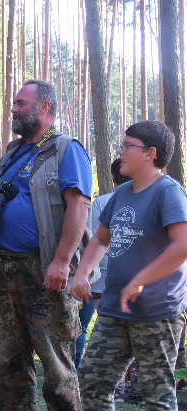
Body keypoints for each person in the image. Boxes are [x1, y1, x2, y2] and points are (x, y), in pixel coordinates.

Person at [53, 121, 187, 411]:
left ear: (151, 153)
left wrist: (141, 280)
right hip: (114, 309)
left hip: (157, 312)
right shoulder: (123, 193)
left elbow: (182, 245)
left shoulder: (168, 192)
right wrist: (82, 272)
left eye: (128, 145)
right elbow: (101, 238)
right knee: (93, 380)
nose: (120, 151)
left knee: (156, 392)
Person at [0, 79, 91, 411]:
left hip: (43, 270)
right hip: (2, 269)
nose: (13, 109)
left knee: (55, 356)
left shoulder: (66, 149)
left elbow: (79, 207)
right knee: (7, 357)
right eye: (14, 103)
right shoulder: (12, 152)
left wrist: (62, 262)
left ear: (44, 108)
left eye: (21, 103)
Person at [75, 158, 131, 371]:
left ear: (113, 178)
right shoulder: (145, 200)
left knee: (84, 326)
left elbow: (91, 238)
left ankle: (77, 368)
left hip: (97, 276)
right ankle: (130, 380)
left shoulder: (101, 202)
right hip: (130, 278)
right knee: (128, 328)